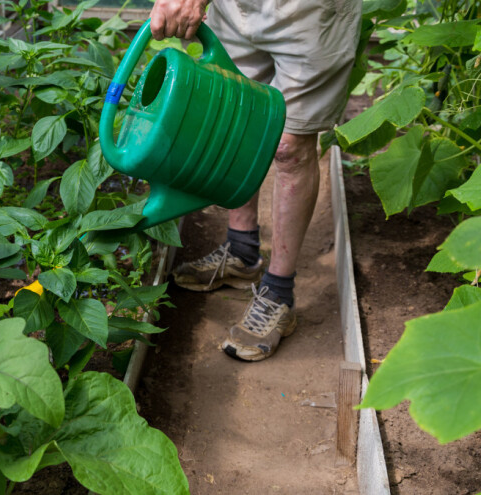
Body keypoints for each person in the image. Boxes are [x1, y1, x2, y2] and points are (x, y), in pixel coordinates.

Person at [150, 0, 361, 361]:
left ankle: (279, 292)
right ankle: (242, 251)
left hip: (310, 12)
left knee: (289, 146)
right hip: (236, 8)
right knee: (237, 112)